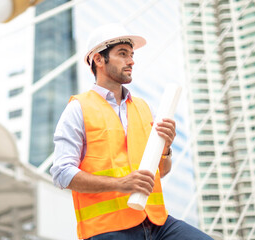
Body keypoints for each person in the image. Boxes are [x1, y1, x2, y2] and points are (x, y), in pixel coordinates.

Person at [50, 23, 213, 240]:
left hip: (157, 223)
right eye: (123, 54)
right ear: (99, 59)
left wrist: (166, 148)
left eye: (132, 54)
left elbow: (160, 172)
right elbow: (61, 173)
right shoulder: (78, 109)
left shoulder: (144, 108)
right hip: (108, 230)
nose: (131, 61)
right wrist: (120, 184)